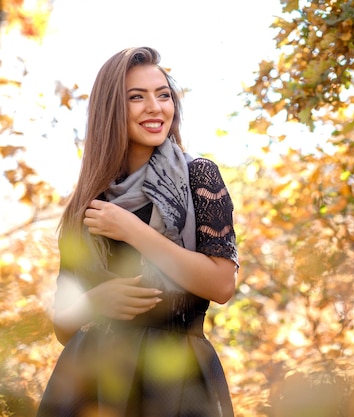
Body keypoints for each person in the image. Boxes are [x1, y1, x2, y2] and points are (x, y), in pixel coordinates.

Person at [36, 46, 239, 417]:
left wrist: (132, 229)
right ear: (110, 110)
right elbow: (63, 326)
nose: (155, 107)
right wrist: (94, 303)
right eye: (136, 97)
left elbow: (222, 285)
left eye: (163, 95)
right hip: (93, 378)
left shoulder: (199, 177)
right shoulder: (87, 202)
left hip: (178, 379)